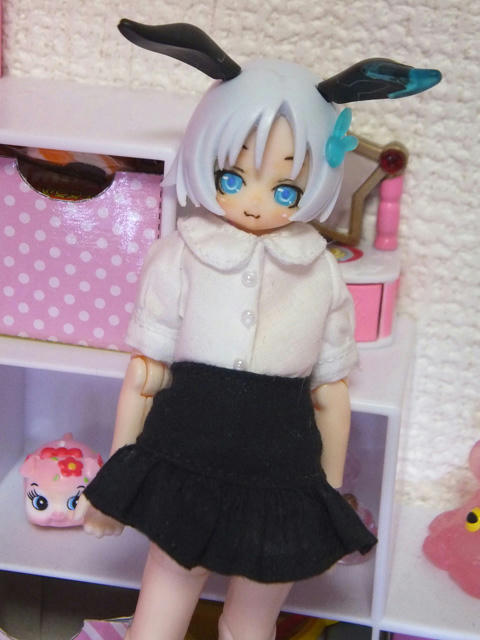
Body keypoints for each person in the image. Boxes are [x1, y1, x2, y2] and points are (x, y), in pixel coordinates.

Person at [78, 21, 441, 640]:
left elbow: (331, 394)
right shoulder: (182, 251)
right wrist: (113, 482)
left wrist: (327, 496)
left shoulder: (320, 271)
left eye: (286, 188)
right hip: (186, 453)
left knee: (253, 620)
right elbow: (145, 374)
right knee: (164, 597)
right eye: (232, 178)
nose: (254, 201)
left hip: (282, 472)